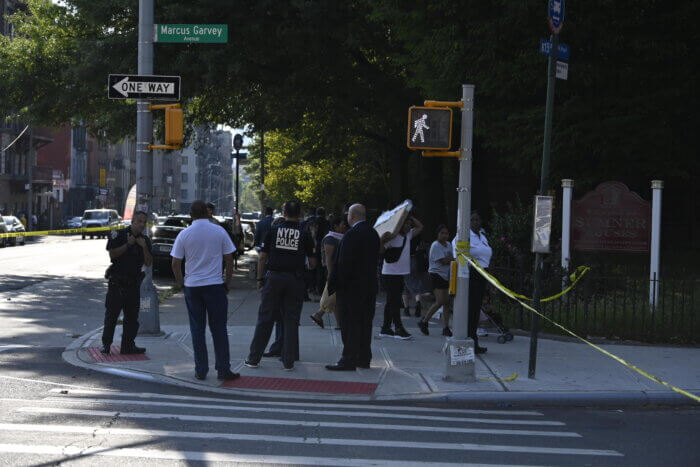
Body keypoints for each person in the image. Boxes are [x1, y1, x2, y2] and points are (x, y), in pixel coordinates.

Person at [170, 200, 239, 381]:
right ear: (207, 214)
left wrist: (181, 283)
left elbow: (175, 263)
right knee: (219, 329)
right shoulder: (219, 231)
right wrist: (228, 282)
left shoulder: (184, 234)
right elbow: (229, 259)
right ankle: (223, 369)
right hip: (215, 286)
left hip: (193, 287)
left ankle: (201, 370)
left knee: (197, 330)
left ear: (191, 215)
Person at [245, 200, 315, 371]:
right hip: (295, 280)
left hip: (274, 278)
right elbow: (312, 263)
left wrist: (260, 279)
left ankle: (254, 358)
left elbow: (262, 257)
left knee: (265, 318)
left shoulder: (273, 230)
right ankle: (288, 361)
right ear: (299, 214)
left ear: (283, 212)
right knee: (291, 320)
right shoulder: (305, 234)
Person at [326, 204, 380, 371]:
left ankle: (348, 359)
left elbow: (343, 264)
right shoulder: (373, 233)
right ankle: (364, 358)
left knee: (349, 324)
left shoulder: (351, 235)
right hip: (369, 286)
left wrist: (334, 285)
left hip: (351, 288)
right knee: (365, 324)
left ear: (353, 216)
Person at [101, 211, 152, 355]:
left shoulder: (145, 240)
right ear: (133, 221)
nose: (142, 224)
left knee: (132, 319)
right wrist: (128, 245)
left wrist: (143, 247)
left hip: (133, 285)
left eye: (144, 222)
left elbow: (148, 263)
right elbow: (113, 254)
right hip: (117, 284)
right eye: (140, 221)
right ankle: (106, 345)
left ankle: (128, 345)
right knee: (111, 316)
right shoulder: (119, 235)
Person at [452, 211, 492, 354]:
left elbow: (486, 253)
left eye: (477, 220)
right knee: (470, 309)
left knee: (476, 309)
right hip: (471, 275)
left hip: (482, 274)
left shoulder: (482, 237)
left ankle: (473, 339)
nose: (475, 222)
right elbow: (457, 252)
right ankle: (470, 340)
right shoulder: (464, 236)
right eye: (472, 220)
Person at [379, 215, 423, 340]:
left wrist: (408, 215)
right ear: (400, 224)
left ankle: (386, 328)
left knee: (390, 301)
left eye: (409, 224)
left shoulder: (408, 235)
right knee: (395, 301)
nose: (408, 226)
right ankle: (398, 328)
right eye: (405, 223)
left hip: (399, 273)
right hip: (390, 273)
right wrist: (383, 240)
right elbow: (381, 250)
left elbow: (420, 227)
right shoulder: (392, 236)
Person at [310, 214, 346, 328]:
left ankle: (322, 316)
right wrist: (330, 275)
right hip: (334, 272)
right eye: (342, 224)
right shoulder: (330, 239)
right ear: (335, 226)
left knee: (334, 298)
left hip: (339, 272)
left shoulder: (340, 237)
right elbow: (328, 259)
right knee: (333, 297)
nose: (345, 226)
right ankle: (318, 315)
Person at [417, 225, 454, 337]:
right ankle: (424, 321)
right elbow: (443, 261)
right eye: (442, 233)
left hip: (446, 275)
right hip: (436, 274)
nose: (444, 235)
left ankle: (446, 327)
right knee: (440, 301)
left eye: (446, 233)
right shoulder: (435, 245)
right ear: (437, 234)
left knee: (447, 302)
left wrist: (451, 259)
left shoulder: (449, 245)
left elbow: (450, 258)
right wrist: (452, 259)